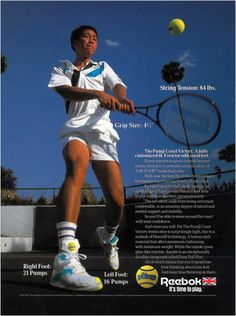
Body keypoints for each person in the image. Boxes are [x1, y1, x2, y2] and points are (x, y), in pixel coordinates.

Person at [48, 25, 135, 292]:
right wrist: (98, 94)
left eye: (95, 38)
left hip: (103, 135)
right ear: (74, 43)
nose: (91, 41)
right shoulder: (62, 68)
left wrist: (120, 98)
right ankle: (65, 258)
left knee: (117, 202)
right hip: (76, 129)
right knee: (76, 166)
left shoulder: (103, 66)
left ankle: (107, 237)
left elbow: (118, 85)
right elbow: (65, 91)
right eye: (86, 37)